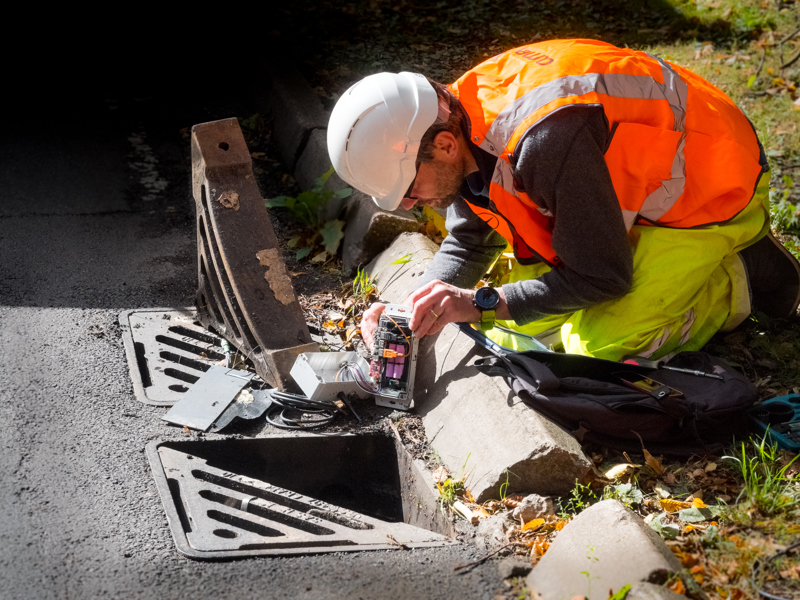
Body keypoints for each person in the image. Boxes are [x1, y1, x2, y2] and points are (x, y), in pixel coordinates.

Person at [326, 39, 800, 361]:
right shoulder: (453, 118)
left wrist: (478, 300)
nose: (408, 206)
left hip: (711, 188)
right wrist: (418, 303)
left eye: (409, 189)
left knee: (600, 344)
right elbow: (470, 239)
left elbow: (602, 276)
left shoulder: (544, 142)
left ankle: (743, 271)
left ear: (445, 146)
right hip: (620, 190)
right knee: (515, 331)